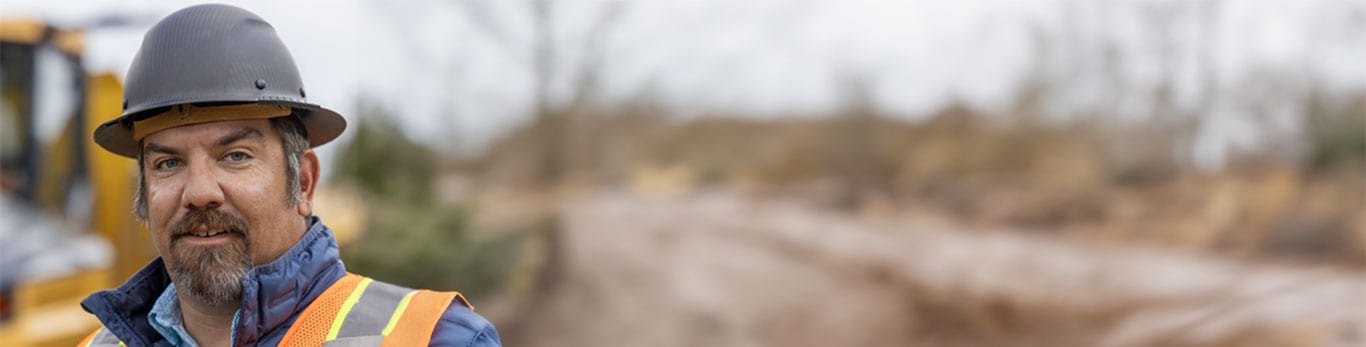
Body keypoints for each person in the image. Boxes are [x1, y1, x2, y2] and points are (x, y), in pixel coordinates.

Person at [78, 4, 500, 346]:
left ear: (302, 182)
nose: (200, 192)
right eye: (168, 163)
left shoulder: (434, 338)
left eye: (236, 155)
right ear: (145, 196)